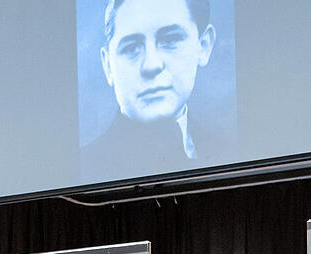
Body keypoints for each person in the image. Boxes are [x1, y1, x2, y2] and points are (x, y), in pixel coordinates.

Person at [81, 0, 224, 181]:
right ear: (108, 65)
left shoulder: (231, 154)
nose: (152, 65)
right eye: (131, 47)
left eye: (170, 40)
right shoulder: (86, 168)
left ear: (203, 45)